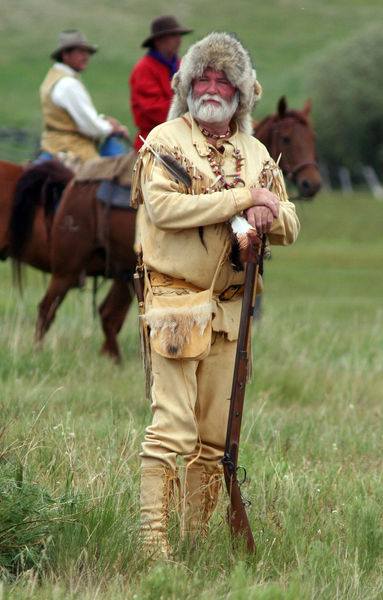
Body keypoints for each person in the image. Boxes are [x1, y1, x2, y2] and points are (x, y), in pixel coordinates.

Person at [131, 32, 300, 558]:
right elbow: (165, 210)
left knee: (212, 440)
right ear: (185, 86)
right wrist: (244, 196)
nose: (211, 88)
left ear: (241, 92)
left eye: (222, 79)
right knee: (171, 432)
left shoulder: (255, 153)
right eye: (201, 77)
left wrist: (267, 211)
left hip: (232, 311)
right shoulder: (164, 141)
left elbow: (290, 222)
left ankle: (197, 547)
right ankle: (152, 549)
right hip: (176, 307)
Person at [39, 29, 129, 165]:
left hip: (52, 144)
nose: (86, 57)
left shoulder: (53, 77)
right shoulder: (68, 84)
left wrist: (103, 121)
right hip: (74, 148)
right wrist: (112, 129)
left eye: (87, 52)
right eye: (81, 52)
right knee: (107, 176)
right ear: (65, 54)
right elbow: (90, 126)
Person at [129, 14, 192, 152]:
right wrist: (193, 114)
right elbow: (155, 110)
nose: (179, 41)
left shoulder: (182, 65)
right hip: (154, 139)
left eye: (179, 36)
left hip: (185, 134)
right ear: (159, 41)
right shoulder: (143, 69)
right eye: (174, 36)